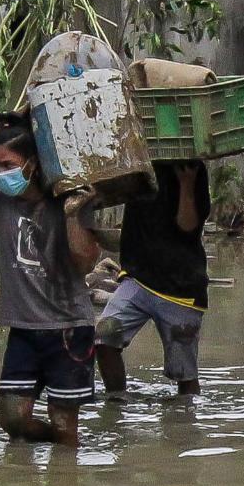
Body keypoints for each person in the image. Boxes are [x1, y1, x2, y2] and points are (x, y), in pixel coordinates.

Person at [0, 112, 101, 447]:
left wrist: (74, 213)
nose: (0, 174)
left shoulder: (69, 200)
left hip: (67, 329)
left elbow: (83, 262)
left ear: (32, 163)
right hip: (23, 328)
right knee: (12, 419)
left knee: (64, 423)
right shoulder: (1, 200)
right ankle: (62, 447)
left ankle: (65, 465)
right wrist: (10, 126)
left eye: (8, 165)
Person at [95, 161, 211, 397]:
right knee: (105, 336)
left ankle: (185, 424)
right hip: (137, 279)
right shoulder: (134, 161)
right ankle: (116, 402)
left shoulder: (191, 169)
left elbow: (188, 227)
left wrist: (186, 184)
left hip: (180, 290)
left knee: (184, 374)